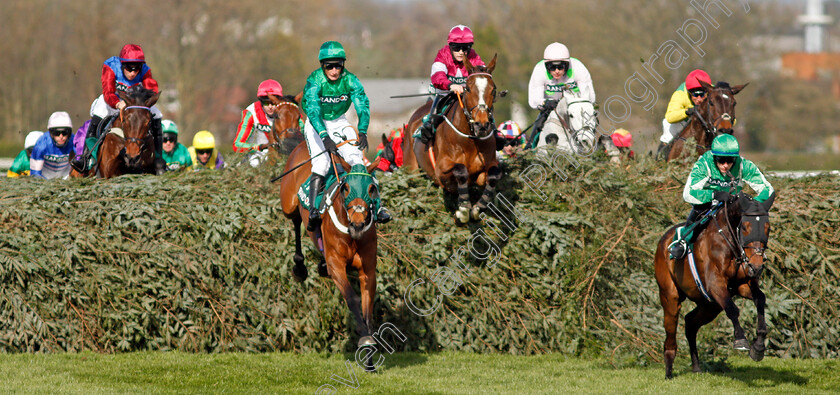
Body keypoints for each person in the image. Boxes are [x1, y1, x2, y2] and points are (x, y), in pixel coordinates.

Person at [301, 40, 391, 231]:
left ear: (343, 64)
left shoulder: (350, 80)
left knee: (358, 162)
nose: (334, 70)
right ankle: (314, 210)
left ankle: (378, 207)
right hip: (317, 123)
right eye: (329, 66)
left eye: (338, 65)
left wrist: (363, 130)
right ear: (322, 66)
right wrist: (325, 137)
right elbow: (313, 110)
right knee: (322, 164)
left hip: (339, 121)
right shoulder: (314, 80)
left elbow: (362, 106)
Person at [668, 134, 774, 259]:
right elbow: (688, 193)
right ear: (714, 157)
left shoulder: (743, 165)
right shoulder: (704, 163)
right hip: (706, 204)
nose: (725, 165)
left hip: (732, 204)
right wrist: (713, 195)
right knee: (697, 216)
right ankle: (682, 241)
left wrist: (753, 204)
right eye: (721, 159)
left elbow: (768, 190)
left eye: (730, 161)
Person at [72, 43, 165, 174]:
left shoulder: (145, 70)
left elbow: (152, 89)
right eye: (129, 68)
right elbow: (108, 91)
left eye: (136, 68)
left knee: (157, 114)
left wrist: (143, 102)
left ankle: (159, 160)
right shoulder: (110, 66)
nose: (133, 73)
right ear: (122, 64)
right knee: (99, 112)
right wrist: (117, 103)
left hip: (135, 105)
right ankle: (85, 158)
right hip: (112, 101)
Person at [527, 42, 617, 162]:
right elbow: (533, 100)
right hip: (551, 107)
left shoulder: (578, 68)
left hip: (575, 105)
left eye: (561, 67)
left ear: (567, 65)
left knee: (589, 120)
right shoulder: (539, 70)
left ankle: (595, 149)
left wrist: (577, 103)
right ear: (546, 66)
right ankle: (529, 149)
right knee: (539, 124)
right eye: (552, 67)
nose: (557, 71)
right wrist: (545, 103)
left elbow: (590, 97)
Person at [417, 25, 485, 146]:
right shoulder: (443, 55)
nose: (461, 52)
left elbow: (482, 73)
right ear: (450, 46)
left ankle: (495, 133)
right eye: (456, 48)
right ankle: (427, 129)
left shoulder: (474, 56)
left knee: (484, 109)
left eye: (465, 48)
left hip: (466, 95)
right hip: (445, 93)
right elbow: (437, 76)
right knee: (432, 119)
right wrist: (450, 85)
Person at [656, 69, 712, 159]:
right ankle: (661, 159)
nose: (699, 99)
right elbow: (670, 117)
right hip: (684, 122)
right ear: (689, 93)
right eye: (695, 95)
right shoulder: (680, 95)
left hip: (705, 123)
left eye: (702, 94)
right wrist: (686, 112)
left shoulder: (714, 92)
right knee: (667, 125)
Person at [233, 79, 284, 167]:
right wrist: (260, 147)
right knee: (255, 163)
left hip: (280, 158)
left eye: (273, 102)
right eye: (266, 103)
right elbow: (237, 145)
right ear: (261, 101)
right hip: (254, 158)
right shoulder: (251, 113)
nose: (270, 107)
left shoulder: (288, 111)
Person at [30, 111, 75, 179]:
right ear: (51, 133)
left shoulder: (74, 141)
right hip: (45, 178)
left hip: (66, 177)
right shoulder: (41, 144)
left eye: (65, 132)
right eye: (57, 133)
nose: (61, 136)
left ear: (70, 133)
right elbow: (35, 172)